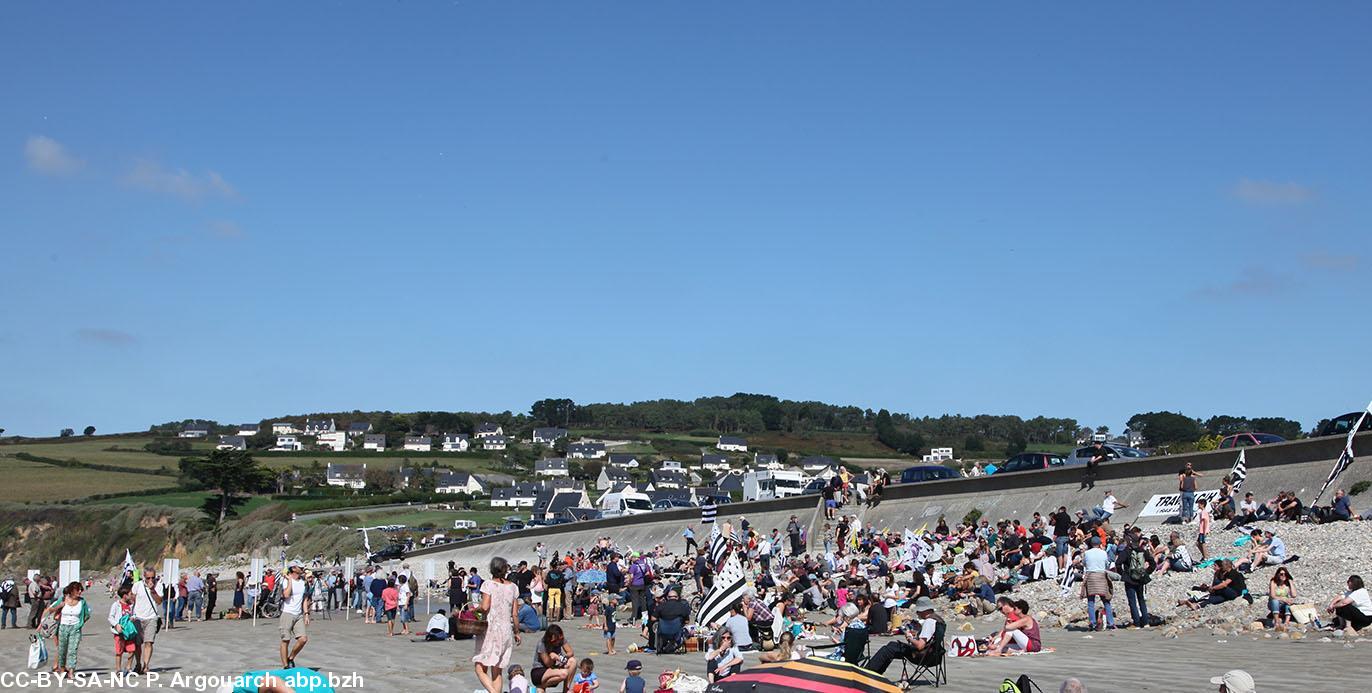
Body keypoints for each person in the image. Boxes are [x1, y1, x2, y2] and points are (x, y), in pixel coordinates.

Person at [473, 557, 521, 693]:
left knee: (479, 666)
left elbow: (485, 606)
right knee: (497, 670)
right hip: (506, 631)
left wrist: (474, 609)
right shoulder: (513, 587)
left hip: (491, 630)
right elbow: (515, 614)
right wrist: (517, 632)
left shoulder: (488, 584)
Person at [864, 596, 941, 675]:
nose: (917, 613)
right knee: (892, 645)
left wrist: (909, 637)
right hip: (934, 655)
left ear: (924, 610)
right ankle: (876, 673)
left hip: (921, 656)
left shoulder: (929, 622)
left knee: (888, 650)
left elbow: (920, 646)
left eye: (918, 611)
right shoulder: (938, 620)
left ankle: (868, 672)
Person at [43, 581, 90, 680]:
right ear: (72, 591)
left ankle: (71, 671)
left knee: (73, 650)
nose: (80, 591)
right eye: (78, 590)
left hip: (75, 628)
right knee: (62, 650)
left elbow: (87, 615)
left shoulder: (82, 602)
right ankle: (62, 669)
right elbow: (49, 610)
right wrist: (59, 606)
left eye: (81, 589)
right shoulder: (63, 599)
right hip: (63, 627)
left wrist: (80, 624)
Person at [1119, 529, 1155, 628]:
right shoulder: (1142, 550)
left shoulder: (1126, 551)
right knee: (1141, 599)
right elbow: (1153, 563)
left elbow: (1118, 563)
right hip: (1141, 578)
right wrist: (1147, 573)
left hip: (1130, 579)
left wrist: (1123, 574)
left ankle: (1137, 623)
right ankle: (1146, 622)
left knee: (1132, 601)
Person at [1182, 560, 1249, 611]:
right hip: (1228, 593)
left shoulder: (1233, 573)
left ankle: (1194, 600)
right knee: (1214, 599)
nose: (1222, 567)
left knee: (1215, 589)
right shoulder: (1225, 573)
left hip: (1235, 593)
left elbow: (1224, 584)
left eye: (1223, 565)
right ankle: (1196, 605)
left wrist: (1213, 588)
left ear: (1227, 566)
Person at [132, 567, 163, 674]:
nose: (151, 580)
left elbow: (159, 601)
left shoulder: (158, 585)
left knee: (148, 642)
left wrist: (152, 590)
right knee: (137, 643)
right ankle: (138, 663)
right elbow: (132, 599)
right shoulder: (137, 585)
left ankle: (146, 665)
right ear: (144, 577)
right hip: (138, 617)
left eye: (153, 578)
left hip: (152, 617)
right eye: (148, 578)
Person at [1080, 537, 1115, 630]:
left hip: (1091, 576)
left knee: (1091, 601)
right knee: (1106, 600)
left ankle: (1092, 622)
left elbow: (1084, 564)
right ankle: (1110, 623)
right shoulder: (1103, 553)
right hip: (1101, 576)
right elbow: (1107, 564)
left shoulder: (1087, 553)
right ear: (1100, 543)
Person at [278, 564, 310, 668]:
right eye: (300, 567)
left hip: (298, 614)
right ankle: (285, 666)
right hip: (287, 613)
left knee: (303, 639)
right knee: (285, 640)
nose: (302, 569)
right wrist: (290, 580)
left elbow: (304, 599)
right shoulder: (286, 581)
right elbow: (286, 595)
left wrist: (306, 614)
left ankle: (291, 657)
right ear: (293, 568)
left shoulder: (303, 582)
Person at [532, 625, 575, 693]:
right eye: (555, 640)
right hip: (539, 671)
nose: (558, 642)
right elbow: (548, 664)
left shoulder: (560, 640)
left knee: (573, 661)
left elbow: (570, 652)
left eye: (560, 639)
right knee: (564, 673)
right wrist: (553, 657)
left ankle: (566, 690)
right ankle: (541, 686)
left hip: (553, 670)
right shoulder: (542, 644)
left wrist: (562, 658)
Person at [108, 586, 137, 674]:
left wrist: (133, 617)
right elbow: (110, 617)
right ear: (124, 596)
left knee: (132, 649)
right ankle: (118, 669)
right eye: (130, 594)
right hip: (119, 632)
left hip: (129, 631)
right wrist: (116, 625)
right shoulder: (116, 605)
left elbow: (135, 614)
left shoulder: (131, 605)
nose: (131, 595)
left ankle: (128, 666)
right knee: (119, 651)